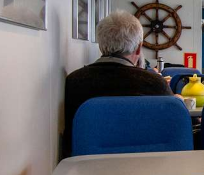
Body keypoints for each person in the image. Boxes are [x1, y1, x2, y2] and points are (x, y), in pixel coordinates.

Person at [63, 11, 175, 158]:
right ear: (139, 48)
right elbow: (171, 129)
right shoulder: (154, 83)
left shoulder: (74, 81)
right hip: (147, 164)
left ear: (101, 46)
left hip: (88, 170)